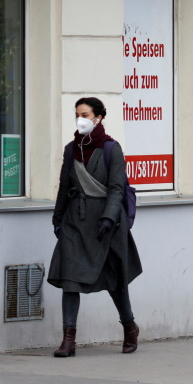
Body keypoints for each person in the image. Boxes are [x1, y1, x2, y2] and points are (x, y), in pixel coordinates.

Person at [47, 97, 143, 357]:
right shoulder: (71, 149)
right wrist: (57, 220)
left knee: (115, 281)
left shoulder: (112, 149)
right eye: (77, 114)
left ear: (99, 117)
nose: (81, 119)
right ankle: (68, 341)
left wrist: (109, 218)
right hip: (75, 222)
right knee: (70, 280)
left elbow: (116, 188)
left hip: (106, 226)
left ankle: (129, 327)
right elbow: (64, 188)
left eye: (86, 114)